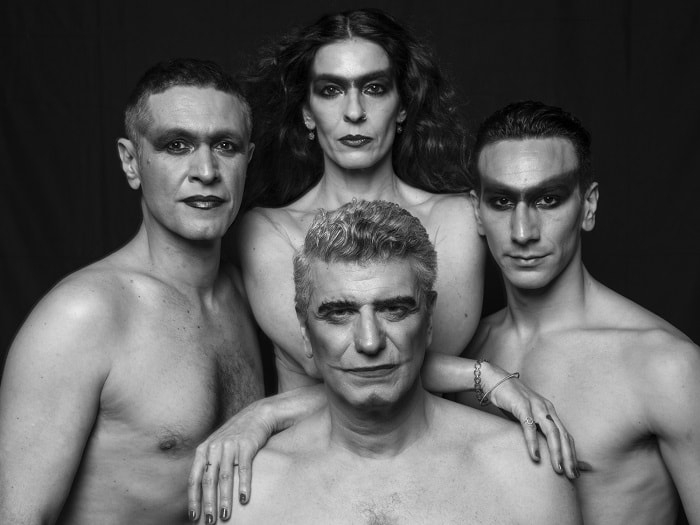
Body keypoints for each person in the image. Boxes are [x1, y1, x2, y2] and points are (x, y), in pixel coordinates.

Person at [188, 9, 581, 520]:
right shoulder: (265, 232)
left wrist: (265, 413)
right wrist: (483, 376)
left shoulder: (456, 221)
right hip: (304, 485)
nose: (354, 112)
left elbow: (397, 371)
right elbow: (344, 367)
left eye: (374, 89)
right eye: (331, 90)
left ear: (402, 106)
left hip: (437, 480)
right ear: (306, 111)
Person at [0, 58, 265, 524]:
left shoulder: (248, 294)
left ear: (248, 160)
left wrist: (270, 414)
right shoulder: (84, 314)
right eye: (177, 145)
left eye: (226, 146)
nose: (206, 170)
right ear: (130, 161)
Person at [227, 199, 582, 524]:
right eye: (339, 313)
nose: (369, 341)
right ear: (305, 330)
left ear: (429, 319)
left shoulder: (523, 471)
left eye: (394, 309)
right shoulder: (249, 491)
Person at [456, 100, 700, 524]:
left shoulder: (666, 366)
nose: (522, 232)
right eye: (502, 201)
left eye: (548, 199)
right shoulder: (464, 354)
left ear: (588, 207)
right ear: (477, 212)